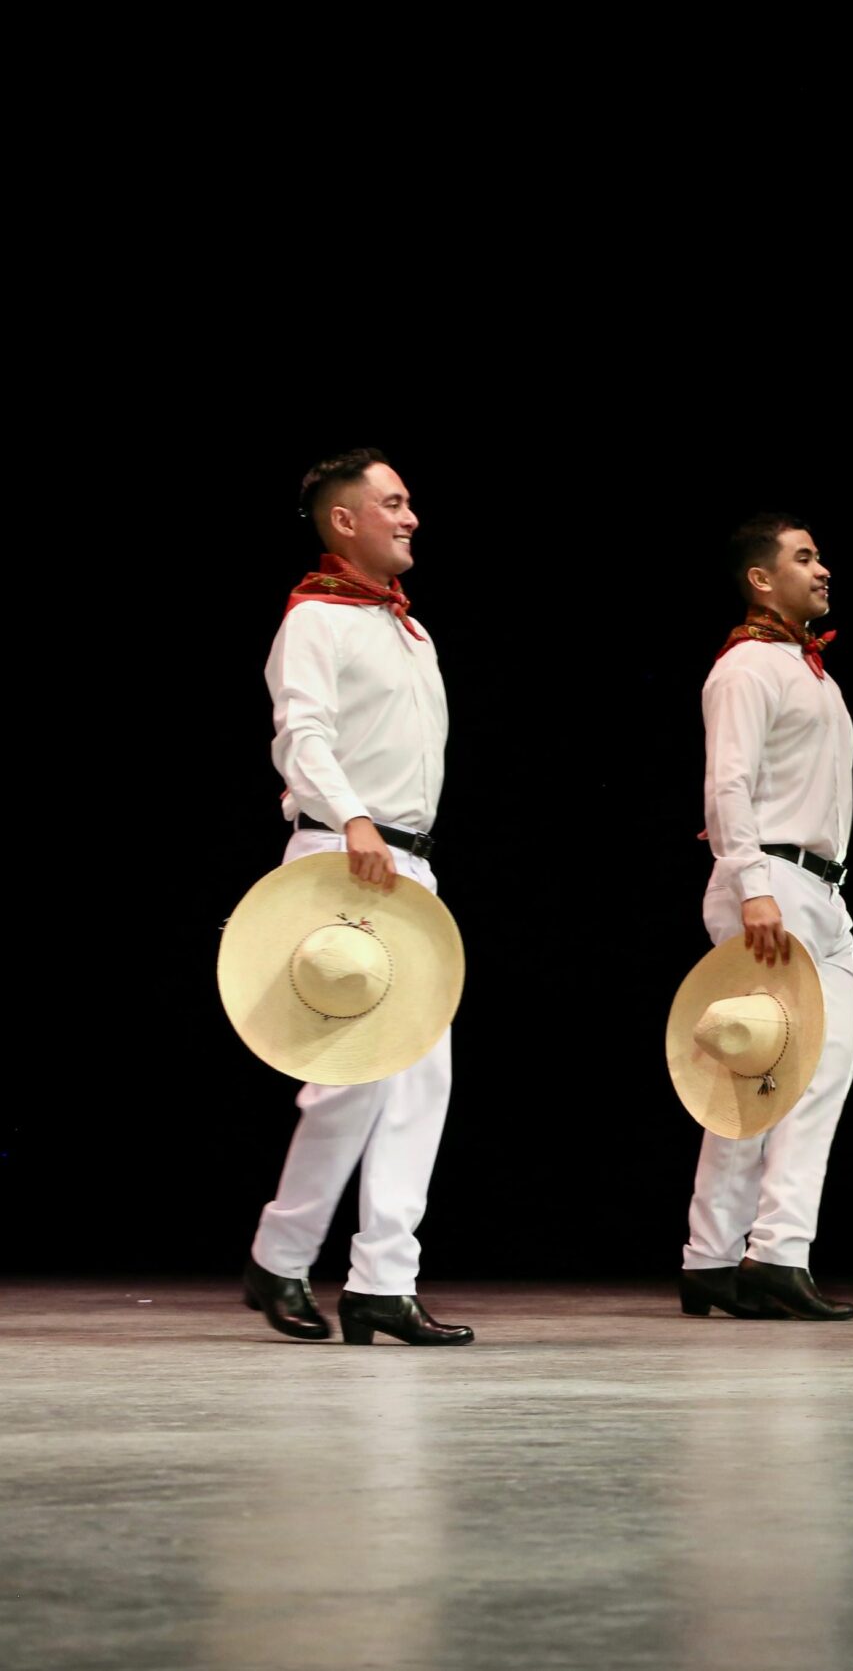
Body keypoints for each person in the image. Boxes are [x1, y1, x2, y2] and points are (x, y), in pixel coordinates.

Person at [243, 447, 472, 1346]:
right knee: (346, 1080)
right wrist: (352, 819)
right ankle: (282, 1257)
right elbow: (301, 735)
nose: (411, 518)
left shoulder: (410, 630)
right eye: (394, 503)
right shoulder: (315, 617)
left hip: (406, 866)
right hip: (344, 857)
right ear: (346, 519)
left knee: (421, 1080)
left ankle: (383, 1280)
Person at [676, 515, 853, 1322]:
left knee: (767, 1070)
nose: (822, 570)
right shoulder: (748, 666)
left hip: (817, 887)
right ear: (761, 578)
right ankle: (776, 1254)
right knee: (788, 1072)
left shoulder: (808, 670)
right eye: (804, 558)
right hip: (773, 881)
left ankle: (713, 1258)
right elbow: (727, 783)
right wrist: (752, 882)